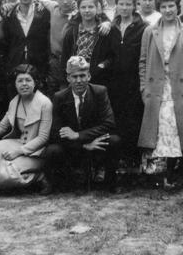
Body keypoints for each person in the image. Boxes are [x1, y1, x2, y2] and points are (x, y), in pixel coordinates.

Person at [139, 0, 183, 188]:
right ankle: (166, 174)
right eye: (164, 7)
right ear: (160, 8)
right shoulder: (150, 32)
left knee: (181, 128)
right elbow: (142, 61)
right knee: (163, 129)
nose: (167, 10)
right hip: (157, 89)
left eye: (171, 6)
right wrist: (143, 87)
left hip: (180, 88)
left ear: (177, 7)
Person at [43, 56, 123, 193]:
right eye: (74, 77)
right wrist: (83, 144)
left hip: (94, 141)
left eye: (82, 76)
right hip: (73, 147)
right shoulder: (59, 97)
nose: (79, 80)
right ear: (68, 78)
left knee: (114, 141)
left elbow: (109, 123)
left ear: (89, 76)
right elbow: (56, 132)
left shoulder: (100, 91)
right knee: (52, 150)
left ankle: (110, 182)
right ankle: (60, 182)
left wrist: (79, 135)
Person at [0, 64, 53, 192]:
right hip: (18, 143)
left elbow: (43, 137)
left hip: (37, 151)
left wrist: (18, 152)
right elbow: (1, 127)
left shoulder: (45, 103)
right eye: (20, 80)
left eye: (28, 80)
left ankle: (39, 176)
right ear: (15, 84)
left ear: (35, 82)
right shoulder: (14, 102)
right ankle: (10, 179)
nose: (24, 84)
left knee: (6, 171)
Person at [110, 0, 147, 166]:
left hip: (135, 81)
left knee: (134, 120)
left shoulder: (143, 27)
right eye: (121, 4)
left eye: (128, 4)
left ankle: (134, 161)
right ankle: (118, 161)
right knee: (117, 119)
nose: (124, 8)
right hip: (115, 82)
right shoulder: (111, 26)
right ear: (116, 5)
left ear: (134, 6)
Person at [3, 0, 51, 86]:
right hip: (15, 65)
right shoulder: (9, 15)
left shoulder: (44, 13)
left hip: (38, 66)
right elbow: (7, 44)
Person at [61, 0, 117, 87]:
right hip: (76, 81)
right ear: (78, 9)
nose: (87, 10)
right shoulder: (72, 32)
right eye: (83, 7)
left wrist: (101, 66)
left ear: (97, 8)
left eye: (91, 7)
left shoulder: (104, 31)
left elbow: (113, 56)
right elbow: (64, 58)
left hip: (99, 81)